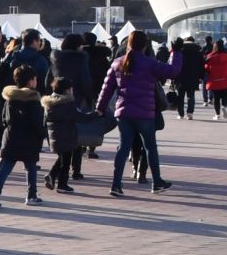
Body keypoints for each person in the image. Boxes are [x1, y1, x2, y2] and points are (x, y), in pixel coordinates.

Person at [96, 30, 180, 197]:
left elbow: (106, 89)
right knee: (150, 147)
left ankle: (116, 185)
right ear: (145, 45)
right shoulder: (149, 64)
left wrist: (100, 108)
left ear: (128, 44)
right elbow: (172, 71)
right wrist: (175, 53)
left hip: (124, 112)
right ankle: (156, 182)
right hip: (144, 113)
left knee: (123, 148)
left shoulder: (118, 62)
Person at [0, 64, 45, 208]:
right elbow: (36, 122)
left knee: (6, 166)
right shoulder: (33, 100)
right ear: (31, 81)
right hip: (30, 140)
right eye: (35, 79)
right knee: (31, 167)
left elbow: (5, 119)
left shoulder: (10, 98)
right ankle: (31, 195)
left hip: (11, 137)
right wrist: (43, 134)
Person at [42, 77, 81, 194]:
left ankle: (52, 175)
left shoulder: (50, 103)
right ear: (66, 90)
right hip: (66, 136)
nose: (72, 91)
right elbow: (79, 117)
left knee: (62, 159)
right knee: (66, 162)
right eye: (70, 89)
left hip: (54, 136)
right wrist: (95, 114)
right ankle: (62, 184)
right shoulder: (67, 104)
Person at [205, 40, 227, 120]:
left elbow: (206, 68)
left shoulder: (210, 56)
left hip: (214, 79)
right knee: (225, 95)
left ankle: (217, 114)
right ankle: (224, 106)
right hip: (225, 78)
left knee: (216, 97)